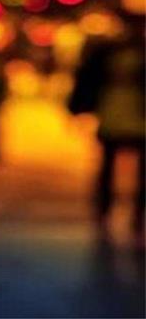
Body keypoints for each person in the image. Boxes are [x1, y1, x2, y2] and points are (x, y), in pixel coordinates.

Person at [68, 16, 145, 233]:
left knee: (120, 166)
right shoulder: (108, 52)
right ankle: (108, 210)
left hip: (129, 114)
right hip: (116, 113)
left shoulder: (110, 52)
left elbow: (87, 79)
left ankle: (132, 214)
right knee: (109, 165)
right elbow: (88, 79)